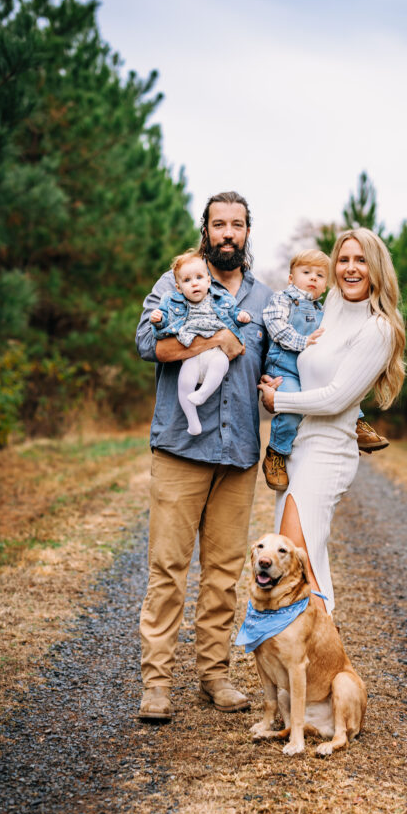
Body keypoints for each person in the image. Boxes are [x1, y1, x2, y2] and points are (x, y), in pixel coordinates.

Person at [135, 191, 273, 721]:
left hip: (238, 453)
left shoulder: (265, 300)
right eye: (219, 225)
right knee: (168, 569)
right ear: (206, 230)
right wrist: (213, 339)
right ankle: (157, 685)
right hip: (180, 447)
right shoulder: (177, 280)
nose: (228, 234)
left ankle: (214, 676)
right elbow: (150, 344)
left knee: (223, 572)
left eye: (237, 225)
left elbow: (278, 358)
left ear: (246, 232)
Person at [257, 228, 406, 613]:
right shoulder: (332, 308)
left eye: (361, 260)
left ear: (377, 268)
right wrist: (278, 379)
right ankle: (310, 665)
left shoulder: (378, 328)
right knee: (306, 565)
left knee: (294, 565)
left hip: (327, 452)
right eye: (343, 259)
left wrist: (280, 399)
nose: (350, 269)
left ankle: (323, 661)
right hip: (298, 449)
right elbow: (307, 367)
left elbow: (338, 397)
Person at [261, 249, 391, 492]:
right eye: (306, 272)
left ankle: (356, 424)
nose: (313, 278)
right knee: (289, 410)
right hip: (286, 369)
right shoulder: (284, 299)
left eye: (320, 275)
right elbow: (275, 325)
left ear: (326, 285)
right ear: (291, 279)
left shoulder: (323, 309)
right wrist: (304, 342)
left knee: (338, 383)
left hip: (310, 365)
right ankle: (276, 453)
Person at [150, 249, 252, 436]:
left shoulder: (221, 300)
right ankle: (193, 422)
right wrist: (158, 320)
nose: (194, 283)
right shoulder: (174, 303)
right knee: (184, 383)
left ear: (208, 280)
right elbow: (164, 324)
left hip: (215, 353)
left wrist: (242, 317)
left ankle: (203, 393)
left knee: (220, 365)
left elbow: (233, 315)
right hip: (192, 354)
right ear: (179, 288)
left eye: (199, 277)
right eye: (187, 280)